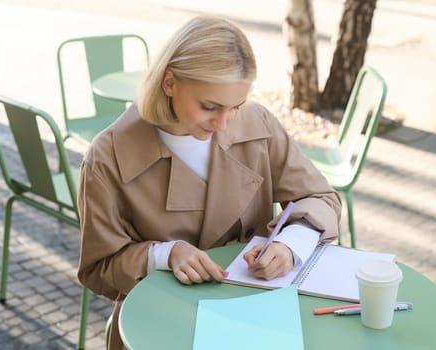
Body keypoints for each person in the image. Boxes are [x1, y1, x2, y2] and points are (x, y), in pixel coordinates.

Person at [76, 16, 341, 348]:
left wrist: (290, 245)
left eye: (235, 107)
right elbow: (98, 268)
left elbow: (321, 198)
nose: (223, 123)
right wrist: (164, 255)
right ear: (169, 82)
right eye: (209, 106)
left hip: (254, 316)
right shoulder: (106, 156)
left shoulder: (256, 122)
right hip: (157, 326)